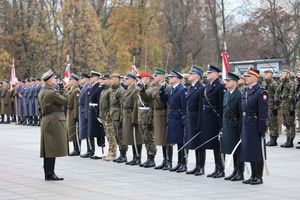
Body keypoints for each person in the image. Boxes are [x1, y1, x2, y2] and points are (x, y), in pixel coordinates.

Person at [38, 69, 68, 181]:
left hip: (47, 120)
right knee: (52, 148)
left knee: (48, 148)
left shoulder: (42, 91)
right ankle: (50, 173)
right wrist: (64, 90)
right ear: (49, 81)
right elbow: (65, 101)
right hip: (53, 121)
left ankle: (48, 172)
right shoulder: (51, 92)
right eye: (53, 78)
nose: (55, 79)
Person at [240, 67, 268, 185]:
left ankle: (259, 176)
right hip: (246, 122)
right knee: (249, 150)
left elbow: (263, 111)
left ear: (255, 78)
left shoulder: (261, 92)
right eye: (245, 76)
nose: (245, 78)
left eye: (248, 76)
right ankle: (252, 175)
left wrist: (262, 128)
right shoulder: (245, 91)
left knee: (257, 151)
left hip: (255, 123)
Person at [140, 68, 171, 170]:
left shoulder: (167, 87)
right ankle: (164, 160)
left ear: (162, 76)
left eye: (156, 75)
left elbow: (168, 102)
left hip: (164, 112)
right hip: (156, 113)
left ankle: (168, 161)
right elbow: (146, 98)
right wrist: (142, 89)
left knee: (166, 139)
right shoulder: (155, 87)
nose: (154, 77)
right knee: (161, 138)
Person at [160, 69, 187, 173]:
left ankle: (183, 163)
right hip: (172, 117)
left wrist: (184, 119)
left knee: (181, 142)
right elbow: (164, 100)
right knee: (175, 141)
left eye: (171, 77)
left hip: (179, 118)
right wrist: (161, 91)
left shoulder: (182, 89)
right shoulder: (171, 89)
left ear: (177, 79)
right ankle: (179, 163)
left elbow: (184, 106)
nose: (169, 79)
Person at [201, 65, 225, 178]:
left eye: (209, 73)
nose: (207, 74)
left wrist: (221, 123)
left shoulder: (219, 86)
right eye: (207, 72)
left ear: (216, 74)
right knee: (214, 144)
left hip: (215, 118)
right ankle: (217, 168)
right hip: (208, 118)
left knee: (218, 144)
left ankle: (221, 168)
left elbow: (221, 106)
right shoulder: (208, 86)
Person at [221, 72, 244, 181]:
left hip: (235, 126)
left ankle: (240, 172)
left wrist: (241, 129)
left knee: (238, 150)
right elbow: (223, 111)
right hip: (227, 124)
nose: (226, 82)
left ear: (235, 82)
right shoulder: (226, 93)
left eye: (228, 81)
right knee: (232, 149)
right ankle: (235, 170)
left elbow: (240, 113)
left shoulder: (239, 94)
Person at [184, 66, 206, 176]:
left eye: (191, 73)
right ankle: (197, 166)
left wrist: (199, 122)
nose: (189, 75)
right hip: (190, 116)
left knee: (200, 143)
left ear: (197, 75)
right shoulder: (191, 88)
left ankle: (201, 167)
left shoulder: (201, 88)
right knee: (195, 142)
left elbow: (201, 107)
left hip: (197, 116)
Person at [122, 73, 143, 165]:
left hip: (132, 115)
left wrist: (135, 119)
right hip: (127, 115)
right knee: (131, 137)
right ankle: (134, 157)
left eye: (127, 79)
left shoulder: (136, 89)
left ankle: (138, 157)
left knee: (136, 137)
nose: (125, 80)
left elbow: (136, 105)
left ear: (133, 80)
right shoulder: (128, 89)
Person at [137, 72, 157, 168]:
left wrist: (151, 119)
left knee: (150, 138)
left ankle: (151, 158)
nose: (143, 80)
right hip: (142, 116)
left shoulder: (151, 88)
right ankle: (148, 157)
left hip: (148, 115)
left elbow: (148, 101)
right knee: (145, 138)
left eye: (145, 78)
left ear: (150, 79)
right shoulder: (141, 88)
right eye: (142, 78)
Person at [275, 68, 295, 148]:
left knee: (290, 123)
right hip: (283, 106)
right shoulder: (281, 84)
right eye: (281, 74)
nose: (281, 75)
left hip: (289, 106)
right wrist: (277, 99)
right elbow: (277, 92)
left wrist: (291, 107)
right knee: (286, 124)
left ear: (288, 74)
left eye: (283, 74)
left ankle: (291, 140)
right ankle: (287, 139)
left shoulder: (291, 83)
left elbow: (292, 95)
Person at [109, 73, 127, 163]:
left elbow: (122, 105)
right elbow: (111, 104)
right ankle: (121, 154)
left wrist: (121, 118)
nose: (111, 80)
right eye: (111, 79)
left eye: (113, 79)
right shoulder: (113, 90)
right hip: (113, 115)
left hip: (118, 116)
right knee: (116, 135)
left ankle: (123, 155)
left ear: (118, 80)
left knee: (120, 135)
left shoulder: (120, 90)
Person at [87, 71, 105, 159]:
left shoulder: (99, 87)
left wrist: (99, 114)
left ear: (97, 77)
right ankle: (97, 152)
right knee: (94, 133)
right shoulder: (93, 87)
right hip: (92, 112)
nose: (90, 78)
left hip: (96, 111)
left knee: (99, 133)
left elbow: (99, 101)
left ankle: (101, 152)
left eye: (92, 77)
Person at [262, 69, 279, 146]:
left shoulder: (274, 83)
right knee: (269, 122)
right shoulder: (265, 83)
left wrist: (276, 106)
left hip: (272, 105)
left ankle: (274, 139)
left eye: (266, 73)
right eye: (265, 73)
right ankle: (271, 138)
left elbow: (277, 94)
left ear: (270, 74)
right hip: (266, 105)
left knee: (273, 122)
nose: (265, 75)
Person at [66, 73, 81, 156]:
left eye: (71, 80)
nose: (70, 81)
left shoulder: (76, 90)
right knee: (71, 132)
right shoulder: (71, 89)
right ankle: (75, 148)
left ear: (75, 81)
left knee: (75, 132)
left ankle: (77, 149)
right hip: (69, 112)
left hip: (73, 113)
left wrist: (76, 116)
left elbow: (76, 104)